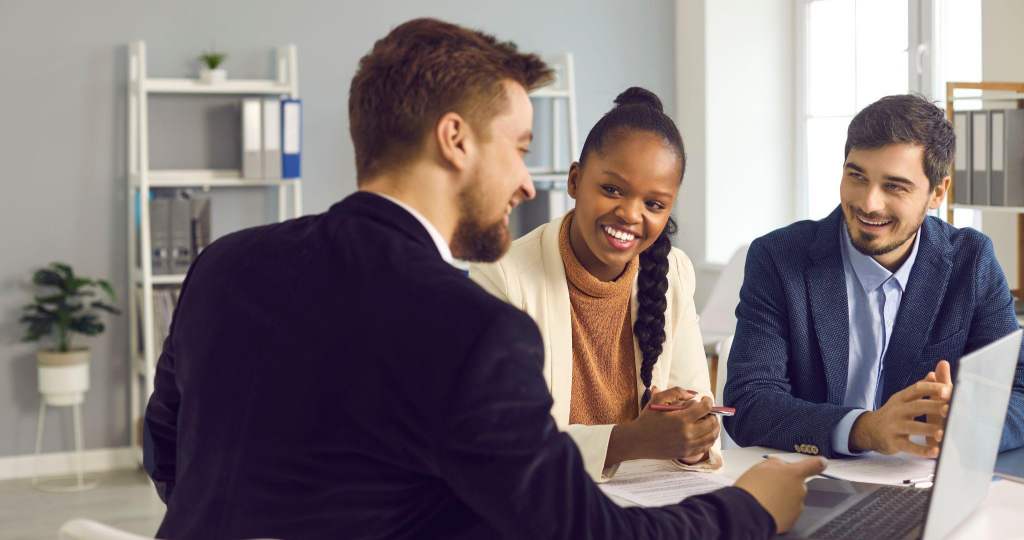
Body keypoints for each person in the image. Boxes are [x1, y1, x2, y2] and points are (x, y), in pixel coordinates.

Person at [145, 17, 824, 539]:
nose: (528, 182)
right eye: (521, 148)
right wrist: (749, 509)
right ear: (455, 139)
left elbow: (171, 457)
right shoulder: (474, 329)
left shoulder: (225, 265)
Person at [723, 94, 1024, 459]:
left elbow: (1018, 390)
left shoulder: (971, 261)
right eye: (857, 176)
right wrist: (864, 429)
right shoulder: (778, 258)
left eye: (894, 186)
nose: (869, 203)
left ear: (937, 193)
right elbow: (748, 403)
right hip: (808, 480)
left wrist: (963, 424)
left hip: (921, 484)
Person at [470, 87, 721, 482]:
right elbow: (501, 443)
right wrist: (632, 440)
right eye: (612, 190)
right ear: (575, 180)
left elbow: (701, 433)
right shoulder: (502, 275)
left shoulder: (673, 271)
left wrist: (689, 435)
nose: (629, 214)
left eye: (654, 204)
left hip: (643, 504)